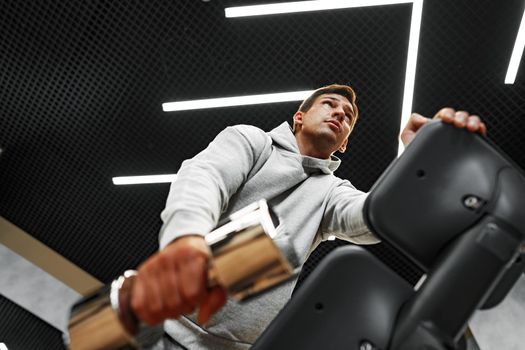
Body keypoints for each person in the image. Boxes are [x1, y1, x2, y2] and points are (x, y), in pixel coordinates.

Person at [131, 84, 487, 349]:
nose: (339, 114)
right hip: (154, 320)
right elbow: (204, 176)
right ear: (299, 117)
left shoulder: (333, 191)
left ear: (344, 143)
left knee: (277, 247)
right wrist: (186, 238)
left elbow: (374, 218)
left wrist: (422, 157)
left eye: (347, 117)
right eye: (329, 105)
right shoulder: (254, 142)